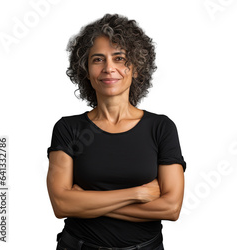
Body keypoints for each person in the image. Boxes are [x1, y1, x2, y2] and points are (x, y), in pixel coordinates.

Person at [47, 14, 186, 250]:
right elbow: (61, 205)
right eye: (98, 59)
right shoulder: (68, 128)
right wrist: (138, 193)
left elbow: (171, 208)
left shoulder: (161, 128)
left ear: (137, 68)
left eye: (119, 58)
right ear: (86, 70)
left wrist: (85, 202)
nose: (109, 68)